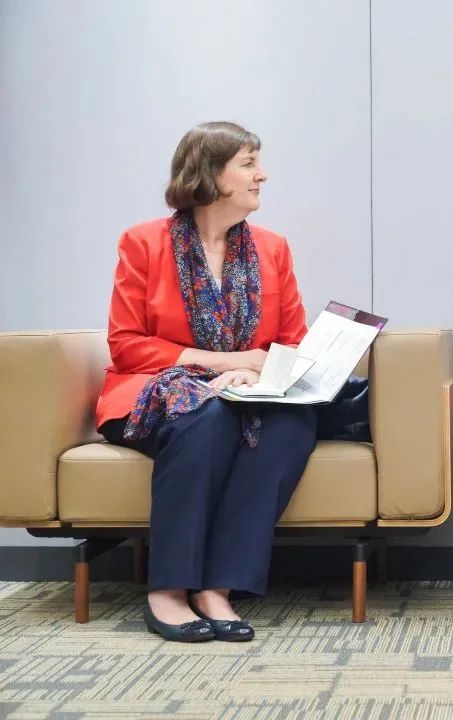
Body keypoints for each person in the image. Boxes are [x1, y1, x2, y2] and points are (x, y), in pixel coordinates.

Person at [96, 122, 316, 642]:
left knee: (291, 424)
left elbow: (293, 344)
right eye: (248, 163)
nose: (262, 175)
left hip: (247, 393)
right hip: (156, 393)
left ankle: (219, 588)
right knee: (206, 416)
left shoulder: (273, 248)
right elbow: (126, 344)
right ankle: (168, 590)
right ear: (211, 174)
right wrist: (222, 364)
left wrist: (252, 372)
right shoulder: (143, 243)